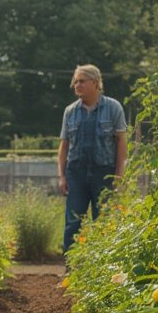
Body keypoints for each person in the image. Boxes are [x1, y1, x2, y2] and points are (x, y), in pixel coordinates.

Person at [57, 64, 127, 253]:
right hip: (76, 174)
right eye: (75, 81)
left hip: (103, 173)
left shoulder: (113, 108)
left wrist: (118, 177)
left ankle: (103, 270)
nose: (76, 85)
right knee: (73, 222)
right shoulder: (70, 111)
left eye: (81, 81)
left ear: (95, 83)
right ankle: (70, 271)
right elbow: (64, 146)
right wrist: (62, 176)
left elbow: (121, 143)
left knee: (103, 221)